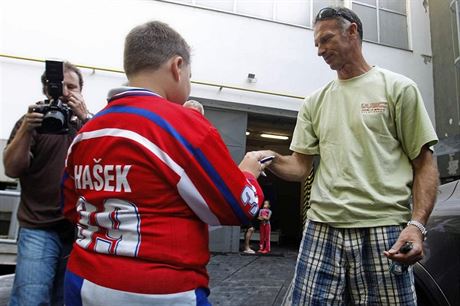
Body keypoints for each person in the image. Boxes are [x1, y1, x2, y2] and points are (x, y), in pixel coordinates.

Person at [62, 21, 266, 305]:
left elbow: (72, 207)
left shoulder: (86, 132)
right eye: (190, 76)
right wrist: (247, 173)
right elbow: (239, 206)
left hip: (83, 281)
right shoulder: (182, 125)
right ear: (177, 66)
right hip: (161, 288)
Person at [256, 6, 439, 305]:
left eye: (326, 40)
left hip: (383, 228)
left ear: (352, 31)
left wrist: (416, 225)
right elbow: (299, 167)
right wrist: (269, 157)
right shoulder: (314, 102)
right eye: (316, 44)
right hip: (322, 228)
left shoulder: (398, 89)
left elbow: (425, 164)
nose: (320, 51)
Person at [3, 61, 92, 306]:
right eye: (58, 87)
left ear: (81, 91)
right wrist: (26, 131)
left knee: (68, 300)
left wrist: (86, 119)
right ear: (46, 89)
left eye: (72, 87)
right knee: (30, 300)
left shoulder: (90, 126)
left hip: (80, 230)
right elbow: (12, 169)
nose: (64, 93)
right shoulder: (31, 122)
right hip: (39, 227)